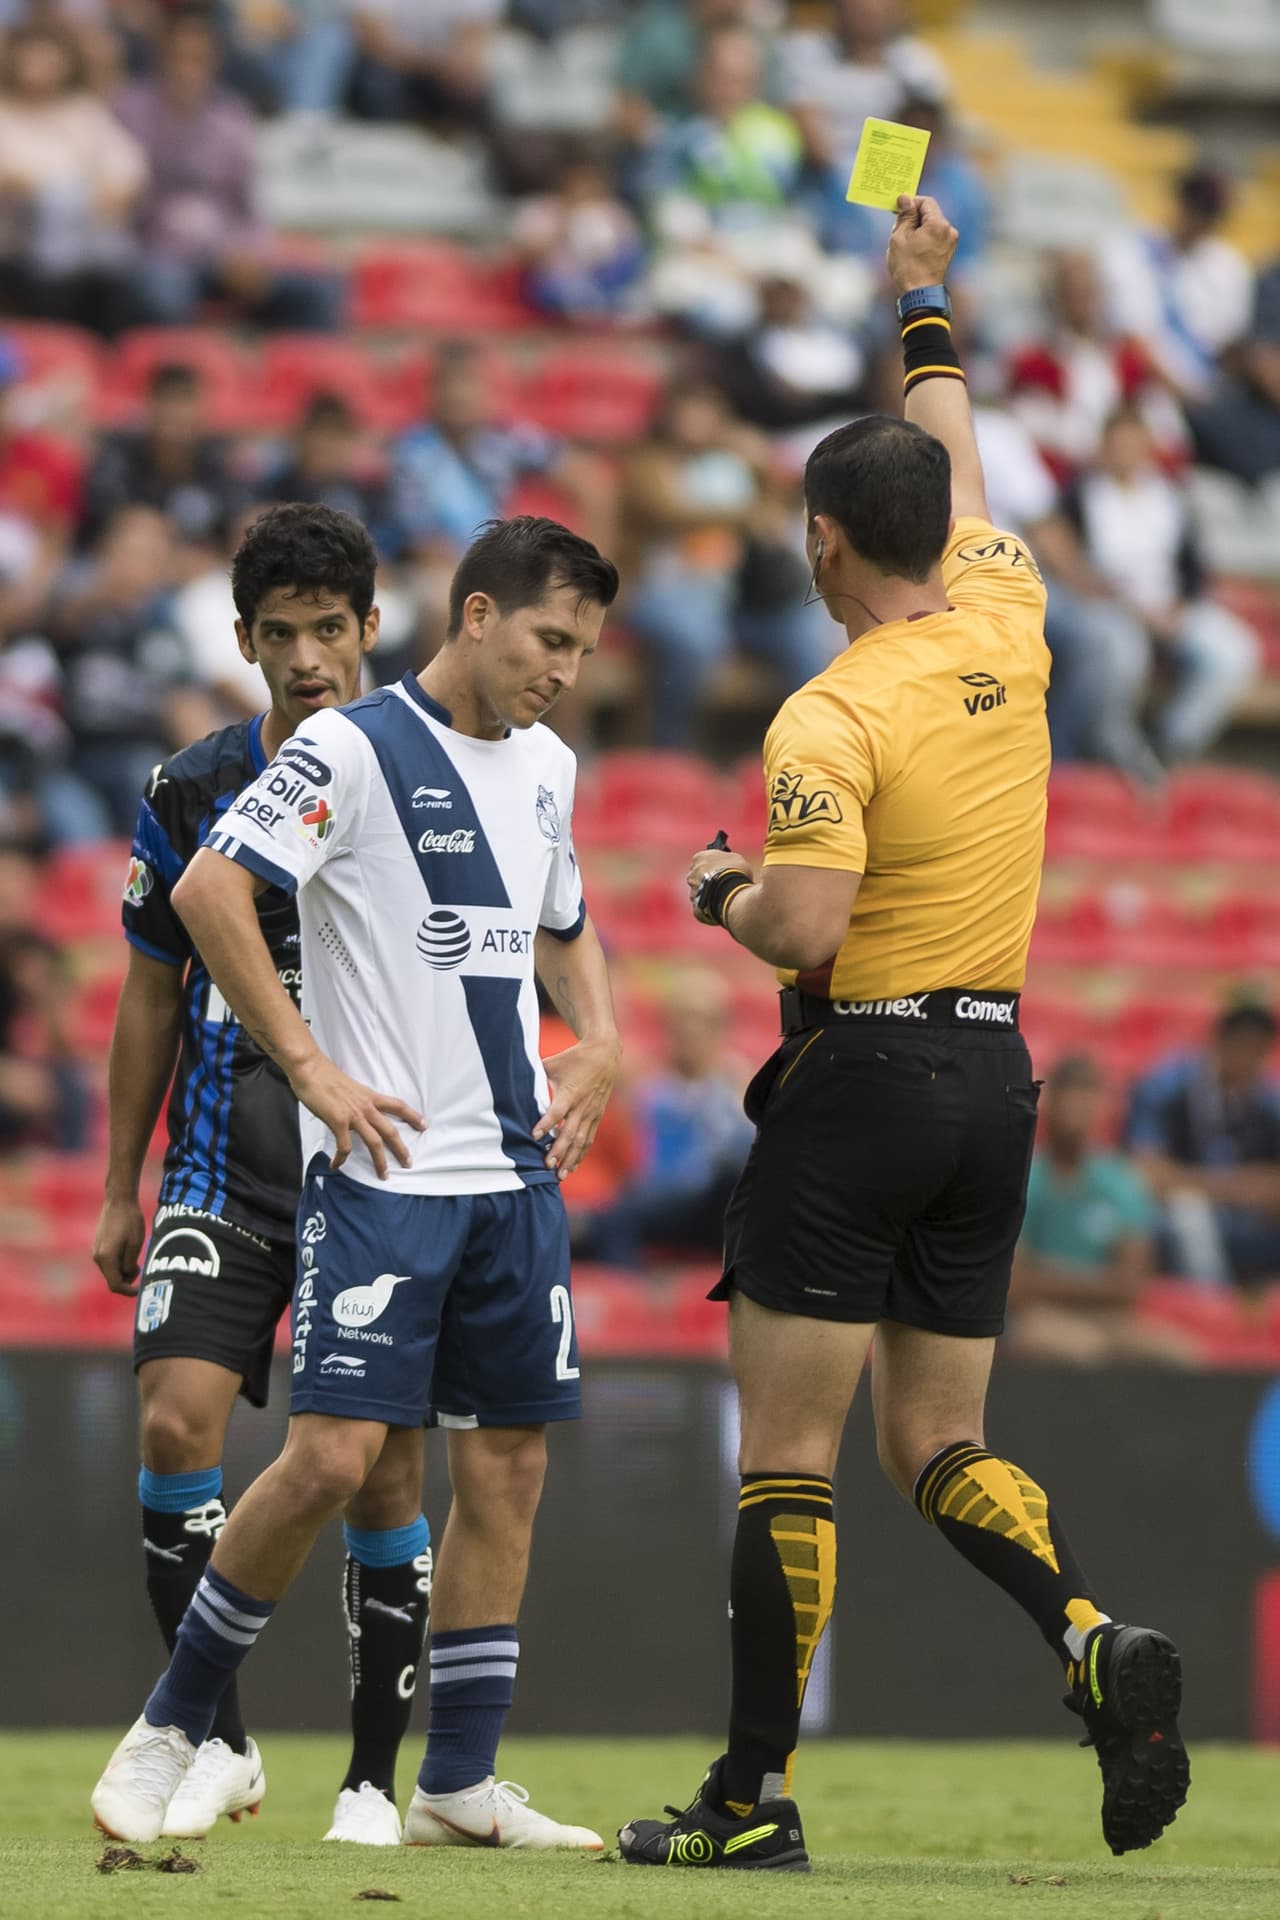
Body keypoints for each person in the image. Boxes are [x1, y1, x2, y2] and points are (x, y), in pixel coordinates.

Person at [618, 195, 1188, 1874]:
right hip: (994, 1077)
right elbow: (957, 453)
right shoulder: (1004, 607)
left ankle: (750, 1802)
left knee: (789, 1459)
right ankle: (1085, 1634)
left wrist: (720, 887)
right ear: (942, 531)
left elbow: (804, 925)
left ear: (818, 538)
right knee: (943, 1441)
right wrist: (925, 301)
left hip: (861, 1078)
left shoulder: (829, 708)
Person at [92, 514, 622, 1854]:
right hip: (383, 1172)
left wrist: (602, 1040)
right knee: (329, 1460)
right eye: (552, 639)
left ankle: (455, 1781)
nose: (565, 670)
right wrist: (311, 1065)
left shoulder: (551, 763)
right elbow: (213, 896)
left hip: (512, 1173)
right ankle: (175, 1725)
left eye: (585, 649)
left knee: (505, 1472)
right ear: (478, 614)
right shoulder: (352, 746)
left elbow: (564, 921)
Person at [91, 503, 433, 1846]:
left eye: (329, 630)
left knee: (378, 1474)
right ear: (242, 641)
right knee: (178, 1425)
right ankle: (219, 1741)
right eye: (279, 633)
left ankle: (368, 1779)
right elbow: (145, 1002)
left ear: (371, 629)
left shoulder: (428, 772)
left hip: (381, 1165)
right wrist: (121, 1179)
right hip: (224, 1167)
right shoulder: (190, 786)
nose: (306, 657)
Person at [116, 3, 342, 332]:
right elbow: (123, 201)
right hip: (156, 253)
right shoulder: (130, 109)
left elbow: (249, 204)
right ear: (160, 59)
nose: (187, 70)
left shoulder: (232, 116)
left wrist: (249, 253)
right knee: (163, 291)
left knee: (319, 292)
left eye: (198, 59)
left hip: (224, 256)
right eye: (178, 57)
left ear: (215, 62)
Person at [1065, 405, 1258, 764]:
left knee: (1233, 651)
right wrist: (1133, 610)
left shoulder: (1169, 497)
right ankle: (1110, 748)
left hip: (1169, 607)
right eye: (1117, 444)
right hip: (1108, 608)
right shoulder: (1080, 496)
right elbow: (1073, 565)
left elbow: (1192, 569)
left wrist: (1179, 607)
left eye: (1133, 444)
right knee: (1121, 656)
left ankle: (1171, 742)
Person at [1010, 1055, 1195, 1366]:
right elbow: (1013, 1284)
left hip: (1109, 1319)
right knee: (1079, 1349)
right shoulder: (1022, 1179)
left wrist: (1046, 1275)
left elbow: (1131, 1284)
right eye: (1070, 1092)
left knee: (1180, 1355)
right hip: (1034, 1317)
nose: (1078, 1105)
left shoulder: (1121, 1181)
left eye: (1088, 1093)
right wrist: (1100, 1283)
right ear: (1050, 1101)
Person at [1126, 1002, 1280, 1292]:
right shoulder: (1167, 1087)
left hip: (1246, 1220)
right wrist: (1236, 1187)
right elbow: (1145, 1173)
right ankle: (1211, 1311)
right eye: (1242, 1046)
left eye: (1259, 1050)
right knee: (1190, 1213)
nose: (1249, 1060)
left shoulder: (1268, 1101)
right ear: (1219, 1041)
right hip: (1173, 1216)